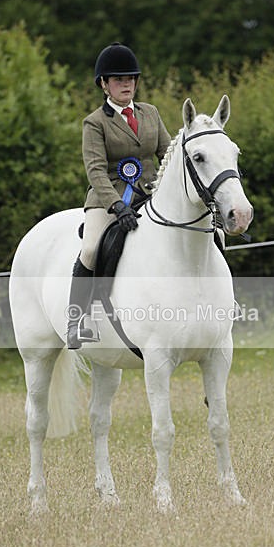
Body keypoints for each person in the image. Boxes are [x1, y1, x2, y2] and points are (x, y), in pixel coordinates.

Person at [67, 42, 172, 349]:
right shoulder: (94, 123)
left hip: (151, 193)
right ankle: (78, 319)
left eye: (130, 78)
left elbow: (168, 155)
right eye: (118, 79)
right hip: (107, 197)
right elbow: (96, 170)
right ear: (104, 84)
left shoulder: (150, 113)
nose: (126, 84)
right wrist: (116, 204)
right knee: (90, 250)